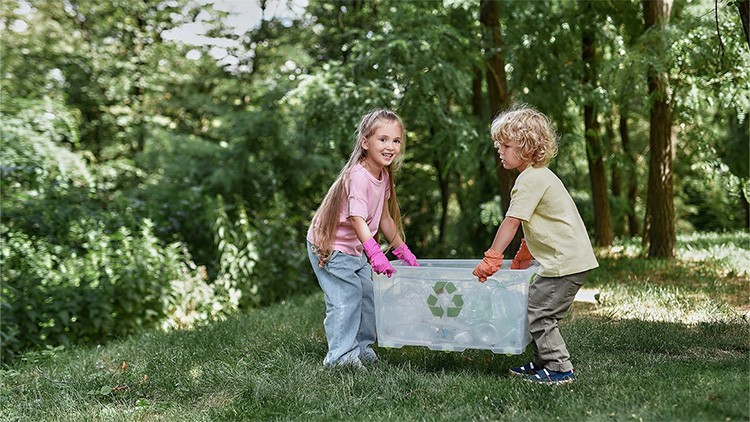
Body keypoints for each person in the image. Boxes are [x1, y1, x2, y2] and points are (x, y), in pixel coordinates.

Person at [472, 105, 598, 385]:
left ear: (527, 147)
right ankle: (544, 360)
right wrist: (524, 253)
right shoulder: (540, 175)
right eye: (499, 145)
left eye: (506, 145)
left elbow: (512, 222)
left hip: (564, 263)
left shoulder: (529, 180)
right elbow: (542, 223)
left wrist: (493, 257)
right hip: (569, 258)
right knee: (537, 307)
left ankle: (559, 368)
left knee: (541, 313)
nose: (500, 151)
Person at [306, 108, 420, 368]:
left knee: (369, 296)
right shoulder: (358, 176)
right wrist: (375, 253)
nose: (390, 146)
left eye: (396, 140)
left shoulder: (384, 173)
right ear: (365, 142)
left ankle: (360, 348)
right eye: (383, 139)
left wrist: (402, 250)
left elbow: (384, 218)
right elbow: (357, 219)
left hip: (354, 249)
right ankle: (340, 358)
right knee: (346, 299)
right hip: (331, 247)